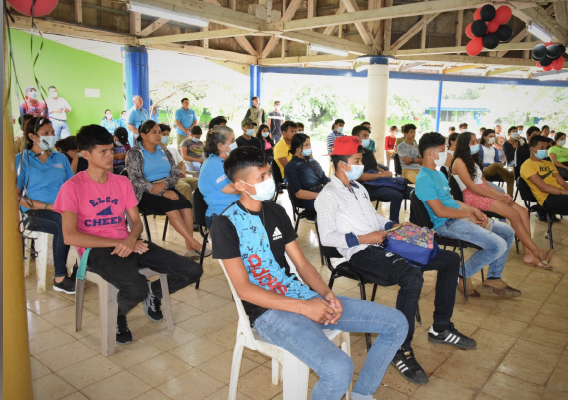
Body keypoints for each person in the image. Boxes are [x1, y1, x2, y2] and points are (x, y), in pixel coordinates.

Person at [211, 146, 407, 400]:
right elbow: (243, 289)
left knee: (396, 323)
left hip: (303, 296)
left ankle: (362, 395)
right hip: (268, 312)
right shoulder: (225, 224)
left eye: (268, 173)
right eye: (261, 177)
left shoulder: (276, 212)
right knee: (338, 370)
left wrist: (326, 294)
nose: (269, 180)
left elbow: (302, 265)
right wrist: (304, 308)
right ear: (240, 185)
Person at [316, 136, 473, 386]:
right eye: (357, 161)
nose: (361, 165)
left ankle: (441, 327)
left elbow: (375, 220)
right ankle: (401, 349)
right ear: (342, 164)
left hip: (382, 243)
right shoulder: (328, 194)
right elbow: (327, 237)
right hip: (360, 253)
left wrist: (395, 225)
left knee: (449, 260)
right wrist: (366, 238)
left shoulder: (358, 188)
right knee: (411, 276)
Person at [55, 124, 202, 344]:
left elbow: (135, 221)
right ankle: (118, 314)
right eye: (102, 152)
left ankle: (153, 293)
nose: (110, 156)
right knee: (135, 288)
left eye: (110, 150)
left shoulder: (121, 181)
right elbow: (70, 236)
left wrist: (131, 239)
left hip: (129, 242)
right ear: (85, 154)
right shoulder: (72, 187)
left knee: (192, 269)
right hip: (95, 251)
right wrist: (122, 242)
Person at [415, 132, 520, 298]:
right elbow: (440, 211)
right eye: (442, 150)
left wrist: (474, 210)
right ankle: (461, 273)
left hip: (458, 216)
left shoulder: (439, 174)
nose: (445, 154)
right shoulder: (424, 179)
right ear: (430, 153)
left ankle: (493, 277)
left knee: (507, 232)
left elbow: (451, 201)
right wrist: (467, 214)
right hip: (447, 224)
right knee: (497, 245)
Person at [451, 132, 551, 269]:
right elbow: (472, 187)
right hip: (473, 197)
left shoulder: (473, 159)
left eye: (476, 141)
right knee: (514, 214)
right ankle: (535, 251)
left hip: (483, 192)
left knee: (523, 212)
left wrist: (501, 195)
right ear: (463, 145)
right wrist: (497, 197)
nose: (475, 145)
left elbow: (484, 185)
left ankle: (529, 255)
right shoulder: (459, 161)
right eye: (472, 142)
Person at [125, 120, 210, 259]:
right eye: (154, 132)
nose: (158, 135)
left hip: (167, 186)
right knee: (172, 208)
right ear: (143, 135)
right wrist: (161, 191)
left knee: (187, 207)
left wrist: (164, 185)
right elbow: (136, 179)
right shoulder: (134, 153)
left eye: (159, 132)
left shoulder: (164, 150)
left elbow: (175, 173)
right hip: (146, 192)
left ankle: (189, 249)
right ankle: (194, 243)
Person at [16, 116, 75, 293]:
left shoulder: (61, 159)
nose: (51, 136)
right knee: (61, 222)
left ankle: (85, 266)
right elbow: (16, 197)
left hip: (61, 210)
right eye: (46, 133)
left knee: (85, 218)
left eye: (52, 132)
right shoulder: (22, 159)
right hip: (34, 213)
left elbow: (72, 187)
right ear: (32, 136)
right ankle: (60, 277)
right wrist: (48, 207)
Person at [351, 125, 412, 222]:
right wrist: (381, 175)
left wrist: (385, 172)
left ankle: (414, 222)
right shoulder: (352, 154)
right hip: (367, 186)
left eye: (368, 136)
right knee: (397, 195)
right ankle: (393, 225)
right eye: (364, 136)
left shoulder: (368, 152)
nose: (367, 139)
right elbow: (359, 177)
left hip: (379, 181)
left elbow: (375, 167)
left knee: (414, 193)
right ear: (355, 137)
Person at [198, 125, 241, 229]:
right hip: (221, 216)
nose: (235, 144)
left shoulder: (227, 162)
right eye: (232, 141)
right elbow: (233, 189)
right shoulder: (212, 164)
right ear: (220, 146)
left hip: (235, 212)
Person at [284, 133, 329, 217]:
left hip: (323, 192)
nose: (309, 148)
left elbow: (325, 179)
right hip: (311, 199)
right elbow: (299, 193)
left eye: (309, 145)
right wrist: (321, 196)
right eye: (306, 145)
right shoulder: (291, 166)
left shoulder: (312, 161)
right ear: (298, 147)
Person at [479, 129, 515, 195]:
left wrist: (500, 163)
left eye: (494, 136)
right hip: (484, 170)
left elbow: (497, 161)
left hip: (496, 169)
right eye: (490, 136)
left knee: (511, 174)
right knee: (495, 165)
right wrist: (492, 164)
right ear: (484, 137)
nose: (493, 138)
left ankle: (510, 199)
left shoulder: (494, 149)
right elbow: (479, 163)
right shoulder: (479, 148)